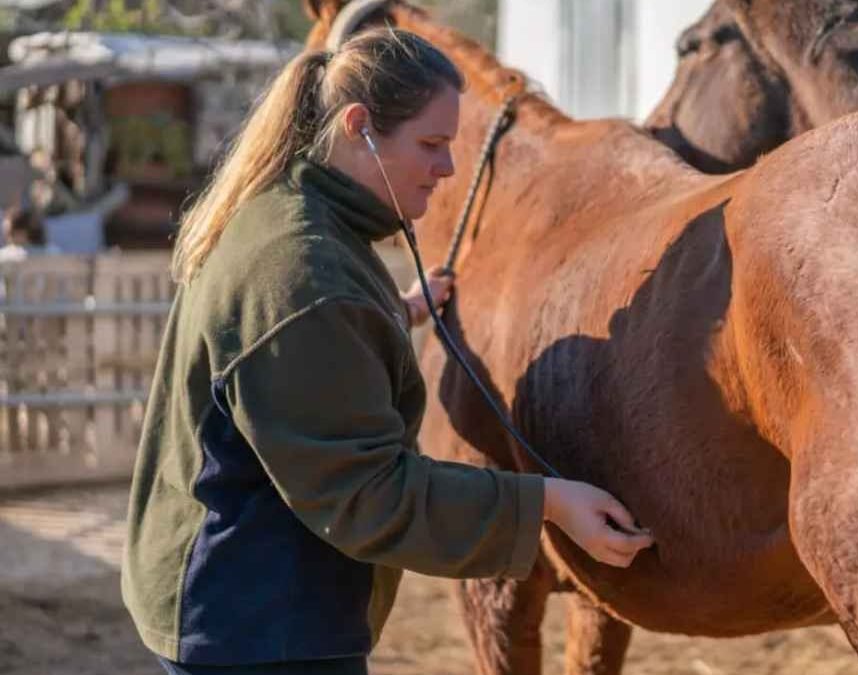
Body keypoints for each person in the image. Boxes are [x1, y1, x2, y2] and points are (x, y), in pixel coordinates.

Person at [123, 27, 654, 675]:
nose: (448, 168)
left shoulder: (289, 215)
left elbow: (298, 367)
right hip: (261, 627)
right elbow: (366, 493)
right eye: (431, 144)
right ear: (359, 127)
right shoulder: (303, 273)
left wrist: (394, 311)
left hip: (245, 598)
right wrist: (545, 502)